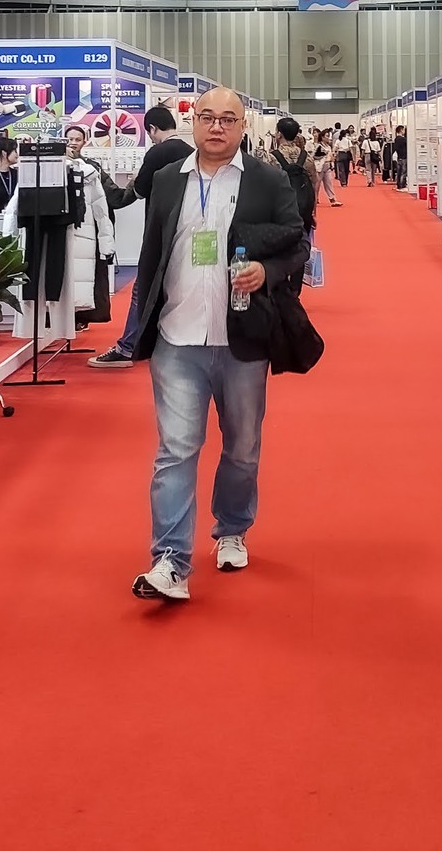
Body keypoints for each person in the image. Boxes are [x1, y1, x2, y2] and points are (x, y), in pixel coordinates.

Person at [128, 87, 309, 602]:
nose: (216, 127)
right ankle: (170, 561)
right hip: (177, 337)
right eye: (207, 117)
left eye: (228, 119)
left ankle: (232, 527)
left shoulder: (267, 179)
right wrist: (139, 323)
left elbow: (298, 243)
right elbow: (153, 252)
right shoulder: (168, 179)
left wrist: (267, 271)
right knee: (175, 450)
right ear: (193, 123)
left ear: (242, 126)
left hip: (242, 340)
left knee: (243, 448)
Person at [88, 102, 195, 370]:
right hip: (187, 227)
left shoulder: (157, 153)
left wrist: (136, 178)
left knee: (143, 287)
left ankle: (127, 348)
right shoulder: (190, 151)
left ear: (152, 129)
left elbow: (140, 191)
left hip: (159, 230)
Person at [63, 125, 117, 328]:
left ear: (84, 142)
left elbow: (104, 205)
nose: (73, 143)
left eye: (77, 139)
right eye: (69, 139)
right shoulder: (49, 166)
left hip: (85, 231)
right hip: (59, 231)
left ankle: (80, 317)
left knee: (84, 276)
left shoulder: (92, 169)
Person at [263, 116, 320, 240]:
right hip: (303, 210)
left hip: (279, 211)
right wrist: (312, 212)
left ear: (279, 134)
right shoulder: (306, 157)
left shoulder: (271, 157)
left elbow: (265, 188)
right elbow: (314, 184)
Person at [310, 127, 341, 208]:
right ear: (322, 137)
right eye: (327, 136)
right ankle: (314, 199)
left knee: (329, 183)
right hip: (319, 167)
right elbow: (313, 156)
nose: (328, 138)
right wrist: (323, 155)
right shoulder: (318, 146)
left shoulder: (328, 146)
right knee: (317, 185)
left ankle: (333, 199)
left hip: (327, 166)